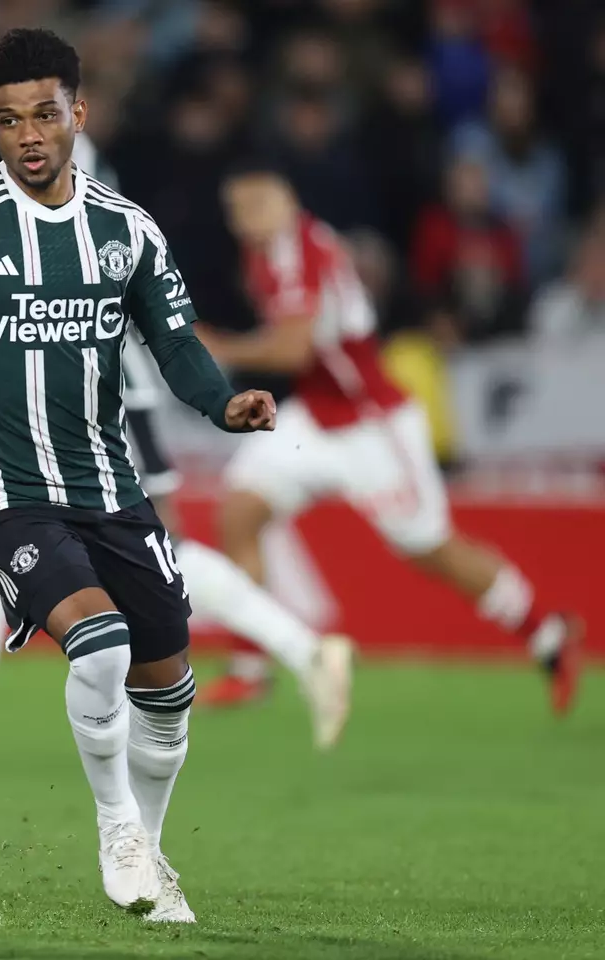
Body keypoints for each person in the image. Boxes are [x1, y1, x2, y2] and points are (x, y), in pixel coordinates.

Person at [0, 28, 277, 923]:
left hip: (114, 491)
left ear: (79, 112)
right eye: (8, 120)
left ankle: (152, 856)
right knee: (101, 642)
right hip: (4, 493)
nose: (28, 133)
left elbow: (176, 343)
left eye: (44, 113)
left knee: (169, 694)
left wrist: (223, 406)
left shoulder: (126, 229)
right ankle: (116, 827)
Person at [0, 151, 353, 758]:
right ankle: (306, 651)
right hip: (107, 390)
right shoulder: (58, 178)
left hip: (106, 397)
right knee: (35, 531)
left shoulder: (60, 177)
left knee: (138, 550)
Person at [197, 162, 583, 714]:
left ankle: (546, 632)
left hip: (371, 421)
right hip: (319, 414)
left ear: (285, 203)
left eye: (256, 206)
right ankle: (249, 669)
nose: (245, 220)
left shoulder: (298, 250)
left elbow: (292, 350)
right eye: (238, 210)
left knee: (429, 547)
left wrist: (221, 347)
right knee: (239, 509)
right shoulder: (267, 250)